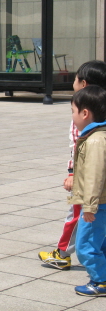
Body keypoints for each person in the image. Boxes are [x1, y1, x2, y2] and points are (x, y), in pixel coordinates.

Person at [39, 60, 106, 270]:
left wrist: (72, 173)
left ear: (83, 84)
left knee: (77, 215)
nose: (73, 82)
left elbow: (79, 150)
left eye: (76, 78)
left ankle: (62, 253)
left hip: (87, 180)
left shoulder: (84, 118)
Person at [68, 85, 106, 296]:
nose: (73, 117)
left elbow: (94, 176)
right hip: (100, 202)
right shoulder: (98, 136)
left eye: (73, 112)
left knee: (86, 246)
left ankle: (101, 281)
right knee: (100, 242)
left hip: (97, 204)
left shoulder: (95, 141)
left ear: (85, 113)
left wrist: (89, 206)